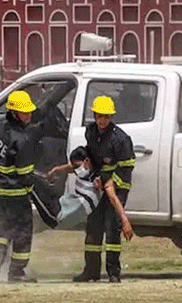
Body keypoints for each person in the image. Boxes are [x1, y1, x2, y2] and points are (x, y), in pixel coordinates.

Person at [50, 95, 135, 283]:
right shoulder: (91, 132)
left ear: (111, 117)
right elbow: (91, 159)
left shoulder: (121, 139)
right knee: (93, 226)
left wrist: (109, 183)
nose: (101, 120)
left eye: (105, 117)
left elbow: (126, 168)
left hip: (117, 184)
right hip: (99, 183)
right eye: (98, 116)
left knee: (112, 227)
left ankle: (113, 272)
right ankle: (91, 271)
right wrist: (63, 169)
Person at [0, 90, 47, 283]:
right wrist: (39, 184)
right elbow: (24, 173)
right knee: (23, 231)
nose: (29, 115)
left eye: (29, 111)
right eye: (24, 112)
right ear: (14, 113)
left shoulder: (3, 130)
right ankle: (17, 273)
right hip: (15, 193)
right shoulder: (23, 139)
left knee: (3, 227)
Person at [50, 146, 134, 238]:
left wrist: (125, 221)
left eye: (77, 166)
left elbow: (113, 198)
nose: (76, 170)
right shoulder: (83, 167)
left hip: (76, 209)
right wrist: (56, 170)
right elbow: (70, 167)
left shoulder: (100, 177)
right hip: (69, 203)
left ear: (87, 161)